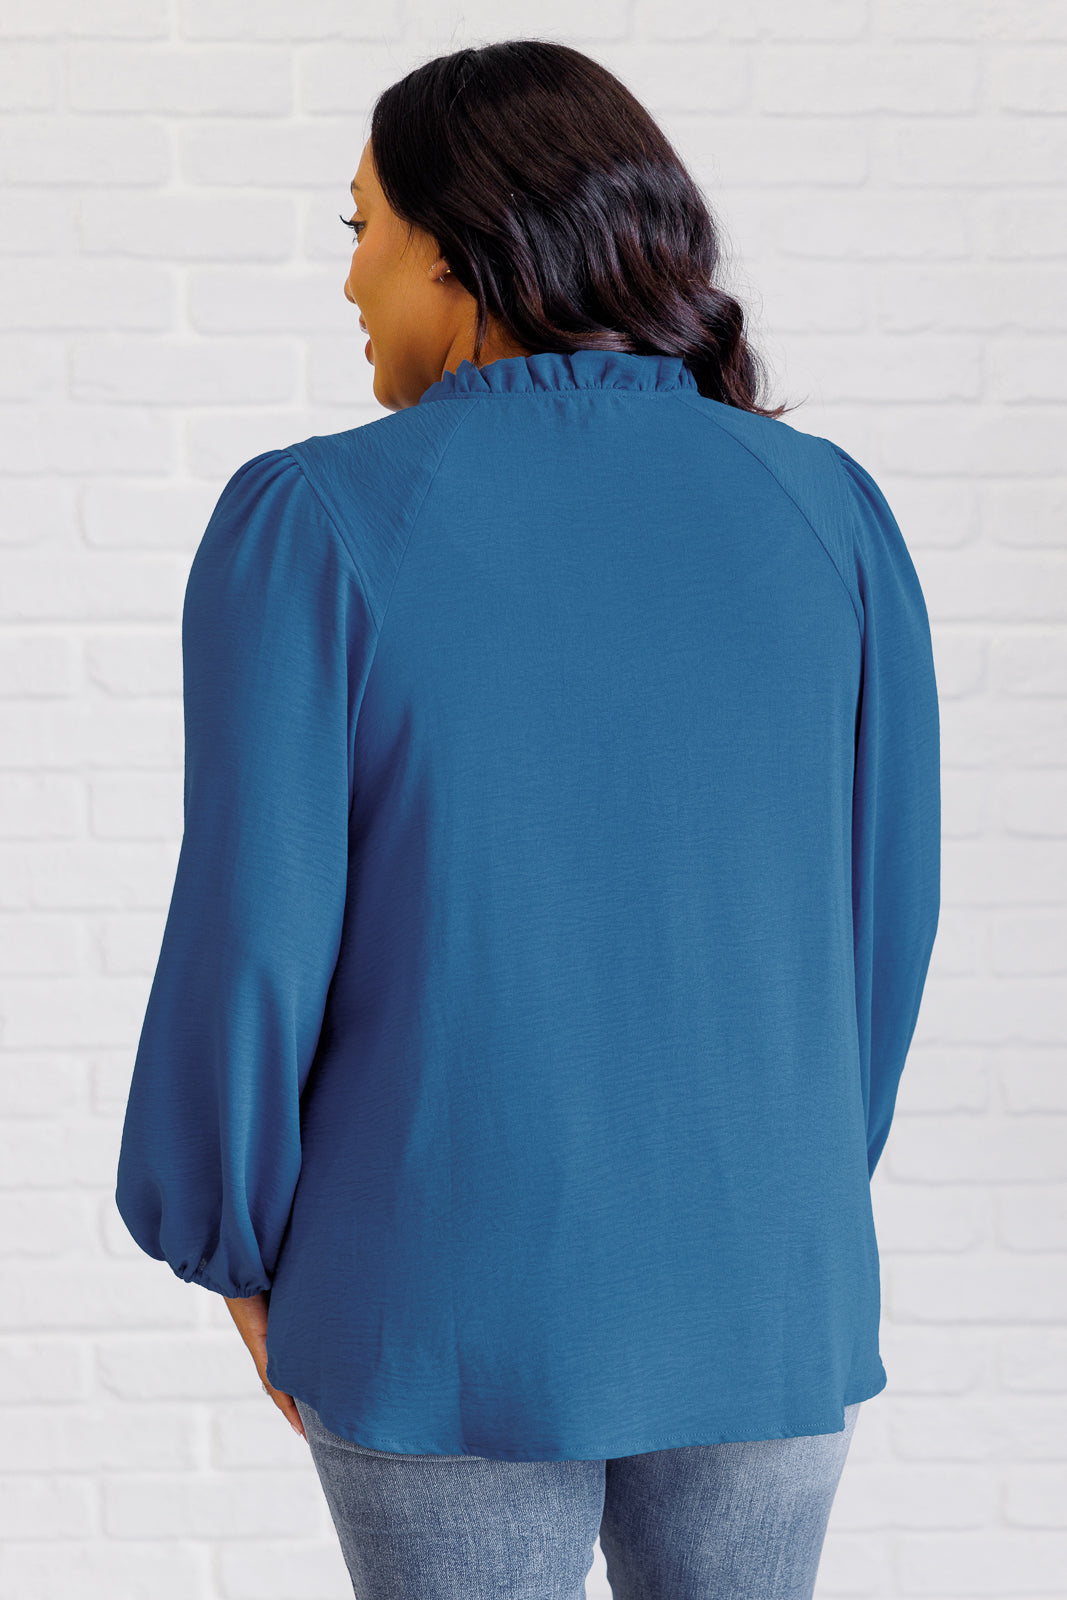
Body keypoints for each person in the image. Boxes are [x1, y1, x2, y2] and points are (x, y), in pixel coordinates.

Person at [114, 38, 941, 1600]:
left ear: (456, 243)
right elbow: (881, 926)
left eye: (361, 227)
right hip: (763, 1274)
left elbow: (251, 928)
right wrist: (788, 1188)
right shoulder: (829, 511)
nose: (348, 278)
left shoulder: (316, 523)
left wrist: (231, 1236)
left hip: (436, 1285)